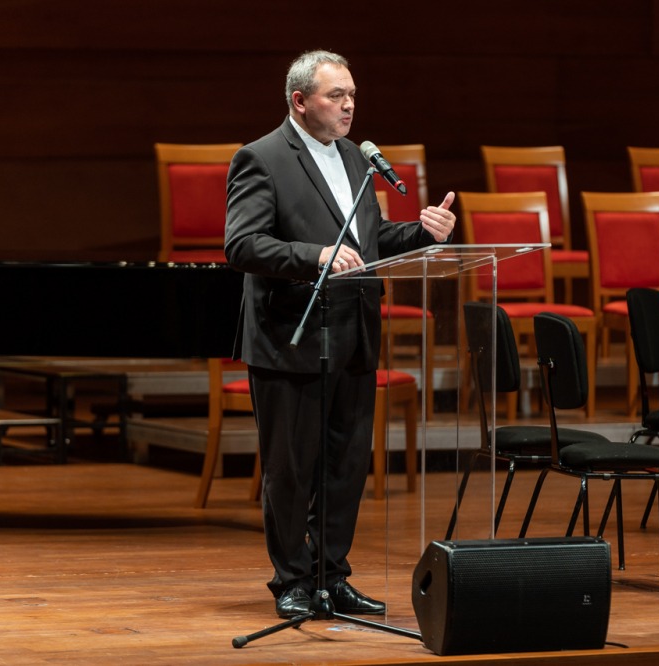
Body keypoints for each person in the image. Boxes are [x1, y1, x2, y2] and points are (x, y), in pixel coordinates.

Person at [224, 50, 456, 619]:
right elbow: (242, 244)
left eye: (352, 94)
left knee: (345, 467)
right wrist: (315, 255)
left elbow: (366, 242)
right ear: (300, 101)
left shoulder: (356, 158)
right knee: (291, 469)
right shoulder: (261, 157)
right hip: (291, 336)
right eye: (337, 95)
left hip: (353, 335)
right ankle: (292, 581)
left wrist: (422, 233)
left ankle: (332, 575)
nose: (349, 105)